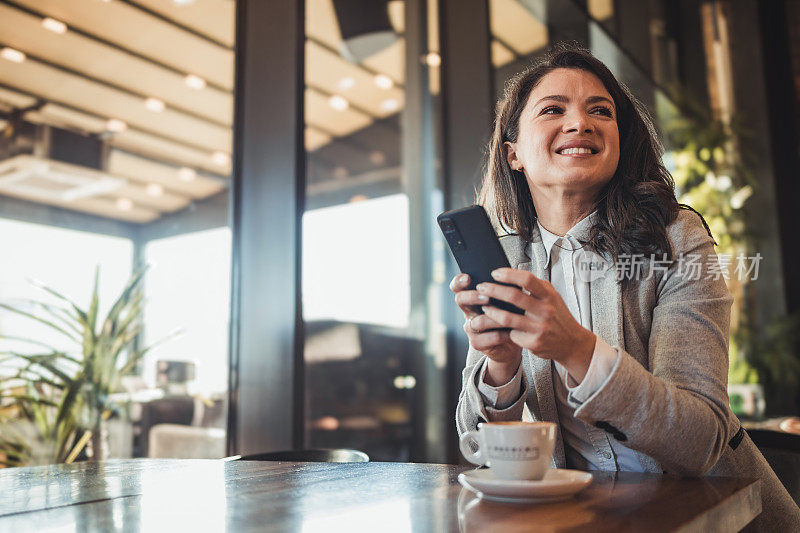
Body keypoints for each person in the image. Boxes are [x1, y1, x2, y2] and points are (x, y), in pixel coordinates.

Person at [452, 44, 800, 531]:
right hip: (580, 517)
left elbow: (700, 441)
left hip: (718, 514)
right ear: (513, 155)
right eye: (554, 109)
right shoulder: (506, 263)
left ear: (619, 142)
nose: (581, 123)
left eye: (601, 111)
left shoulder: (679, 237)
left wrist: (576, 348)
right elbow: (475, 444)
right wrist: (501, 366)